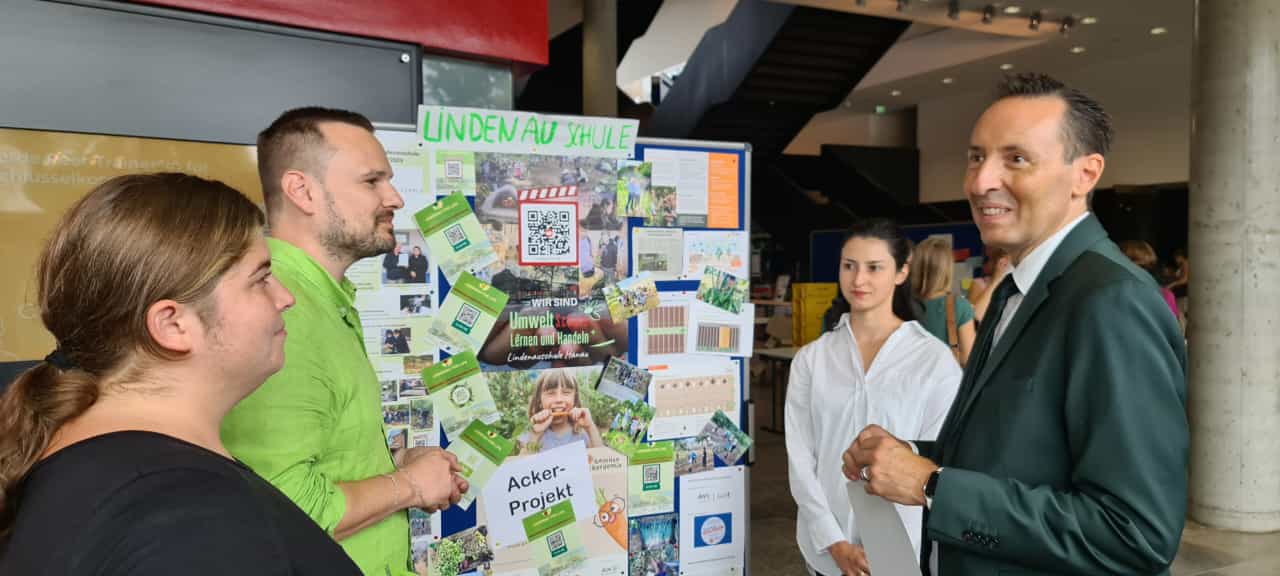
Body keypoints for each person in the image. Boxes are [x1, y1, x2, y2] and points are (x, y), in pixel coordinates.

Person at [842, 74, 1187, 575]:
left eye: (1016, 159)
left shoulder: (1110, 301)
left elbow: (1133, 532)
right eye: (976, 157)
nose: (980, 182)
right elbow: (1015, 457)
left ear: (1085, 174)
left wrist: (931, 485)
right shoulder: (1015, 289)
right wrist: (910, 456)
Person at [0, 173, 362, 574]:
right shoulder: (193, 518)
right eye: (260, 278)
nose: (285, 297)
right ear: (173, 325)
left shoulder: (77, 460)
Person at [221, 107, 466, 576]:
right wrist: (410, 486)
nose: (393, 197)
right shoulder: (277, 309)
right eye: (371, 181)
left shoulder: (322, 297)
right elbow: (282, 505)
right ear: (302, 191)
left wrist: (394, 461)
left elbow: (315, 452)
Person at [786, 219, 962, 576]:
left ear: (901, 272)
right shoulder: (812, 359)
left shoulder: (933, 361)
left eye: (874, 267)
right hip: (826, 553)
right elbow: (801, 460)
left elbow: (939, 458)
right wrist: (835, 543)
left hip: (903, 552)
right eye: (848, 266)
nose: (858, 280)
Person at [910, 237, 977, 366]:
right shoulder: (960, 306)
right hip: (946, 381)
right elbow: (968, 358)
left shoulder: (901, 304)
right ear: (947, 269)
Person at [520, 369, 604, 454]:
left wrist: (590, 427)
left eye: (566, 392)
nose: (559, 399)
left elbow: (601, 460)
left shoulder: (584, 433)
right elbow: (521, 465)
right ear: (539, 399)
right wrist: (535, 435)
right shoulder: (531, 431)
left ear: (575, 399)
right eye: (551, 393)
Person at [1120, 240, 1180, 322]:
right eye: (1142, 267)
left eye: (1151, 266)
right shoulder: (1165, 295)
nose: (1146, 272)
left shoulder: (1165, 295)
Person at [965, 245, 1011, 326]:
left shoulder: (1015, 286)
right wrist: (997, 279)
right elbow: (977, 316)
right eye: (1003, 263)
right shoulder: (979, 283)